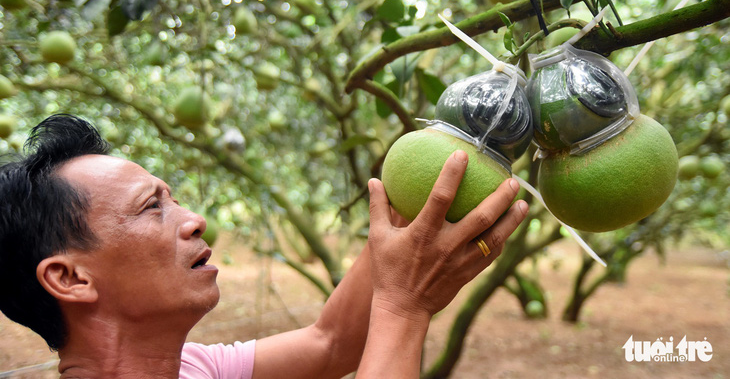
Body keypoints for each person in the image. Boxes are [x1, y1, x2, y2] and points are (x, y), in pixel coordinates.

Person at [0, 114, 528, 378]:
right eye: (151, 207)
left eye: (172, 197)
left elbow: (331, 344)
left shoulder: (191, 367)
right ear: (69, 278)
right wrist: (405, 306)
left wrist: (415, 199)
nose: (194, 220)